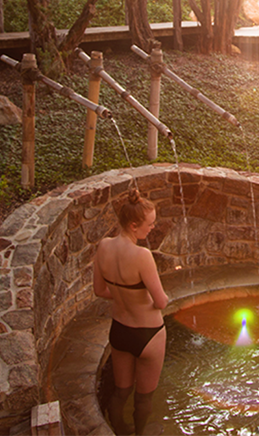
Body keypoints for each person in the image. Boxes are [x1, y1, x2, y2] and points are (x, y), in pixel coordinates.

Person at [94, 187, 168, 436]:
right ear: (134, 225)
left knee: (121, 390)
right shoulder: (142, 255)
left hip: (119, 331)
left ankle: (118, 429)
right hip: (148, 334)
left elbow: (99, 290)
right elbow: (160, 302)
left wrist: (124, 294)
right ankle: (139, 433)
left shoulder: (103, 246)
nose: (153, 227)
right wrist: (146, 297)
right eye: (150, 223)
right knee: (144, 397)